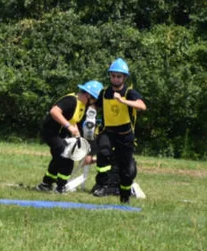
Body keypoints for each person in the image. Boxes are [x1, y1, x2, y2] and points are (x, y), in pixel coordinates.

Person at [92, 58, 147, 204]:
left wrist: (123, 101)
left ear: (124, 78)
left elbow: (142, 106)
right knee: (103, 152)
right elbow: (94, 106)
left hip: (125, 136)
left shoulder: (129, 93)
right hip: (108, 132)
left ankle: (125, 196)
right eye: (113, 75)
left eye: (119, 76)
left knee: (126, 171)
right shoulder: (104, 93)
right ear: (110, 76)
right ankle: (103, 185)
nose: (115, 79)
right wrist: (90, 116)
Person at [36, 81, 103, 193]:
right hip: (51, 132)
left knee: (58, 157)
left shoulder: (82, 105)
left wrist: (77, 133)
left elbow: (73, 119)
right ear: (88, 95)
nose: (93, 103)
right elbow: (54, 111)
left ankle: (46, 184)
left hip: (62, 134)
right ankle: (60, 187)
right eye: (94, 99)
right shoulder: (71, 101)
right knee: (67, 155)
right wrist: (69, 127)